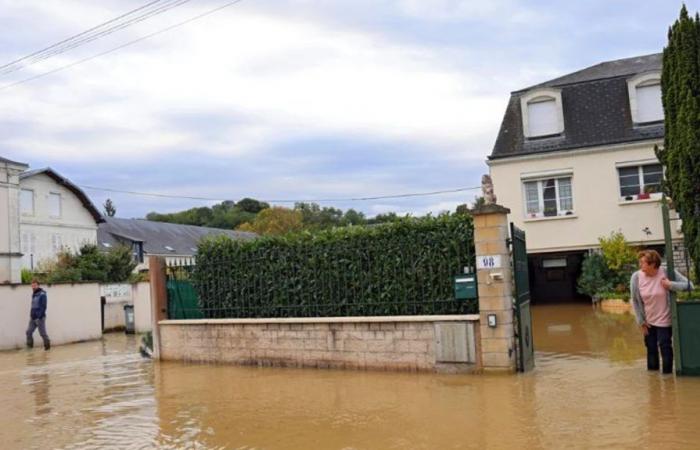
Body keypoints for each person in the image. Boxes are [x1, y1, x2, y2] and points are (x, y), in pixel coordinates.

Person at [630, 250, 693, 374]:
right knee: (651, 348)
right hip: (648, 321)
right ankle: (653, 382)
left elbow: (690, 285)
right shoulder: (636, 277)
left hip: (665, 320)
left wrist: (670, 285)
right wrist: (641, 321)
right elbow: (635, 301)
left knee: (665, 348)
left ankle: (667, 378)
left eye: (643, 262)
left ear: (653, 264)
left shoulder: (666, 271)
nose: (640, 265)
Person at [27, 280, 50, 351]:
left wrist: (39, 317)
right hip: (33, 318)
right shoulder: (34, 294)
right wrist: (31, 315)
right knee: (28, 332)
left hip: (40, 318)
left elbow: (44, 307)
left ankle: (47, 348)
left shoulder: (42, 294)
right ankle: (30, 348)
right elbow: (33, 306)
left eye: (35, 285)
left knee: (42, 334)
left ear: (38, 285)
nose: (33, 287)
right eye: (32, 285)